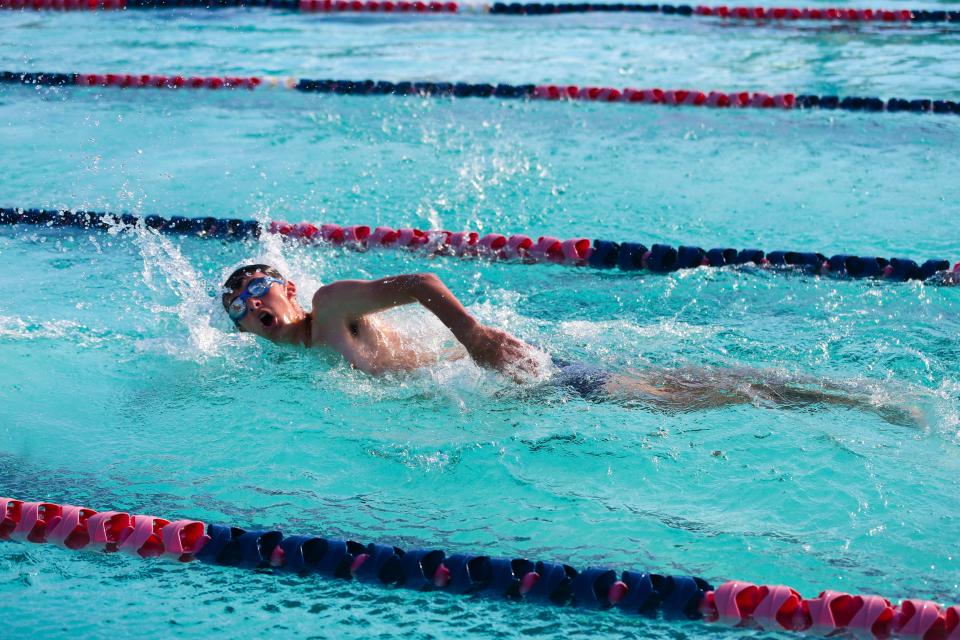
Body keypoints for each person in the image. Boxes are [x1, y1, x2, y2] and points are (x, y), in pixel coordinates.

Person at [221, 264, 922, 425]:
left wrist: (472, 336)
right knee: (677, 385)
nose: (251, 312)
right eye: (237, 312)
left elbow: (420, 281)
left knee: (684, 402)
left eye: (256, 292)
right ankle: (857, 398)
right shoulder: (293, 361)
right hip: (506, 385)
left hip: (507, 374)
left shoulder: (330, 305)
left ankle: (863, 405)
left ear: (285, 286)